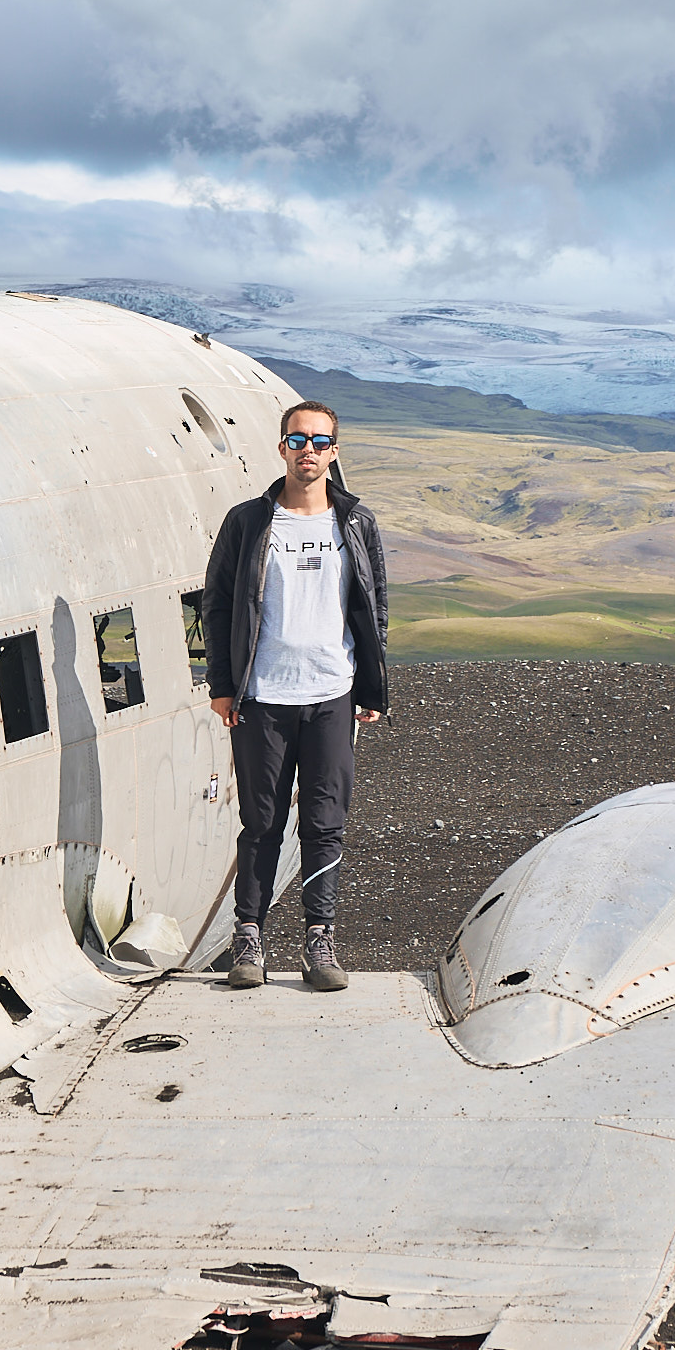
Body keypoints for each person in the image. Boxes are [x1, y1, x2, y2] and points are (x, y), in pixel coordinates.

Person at [202, 399, 388, 992]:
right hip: (263, 696)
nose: (308, 450)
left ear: (335, 451)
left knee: (325, 822)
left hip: (332, 694)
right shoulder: (248, 522)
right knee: (261, 822)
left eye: (319, 440)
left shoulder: (356, 523)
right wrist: (225, 685)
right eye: (296, 439)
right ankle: (249, 940)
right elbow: (218, 603)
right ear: (281, 447)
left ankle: (319, 941)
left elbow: (373, 605)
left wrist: (372, 685)